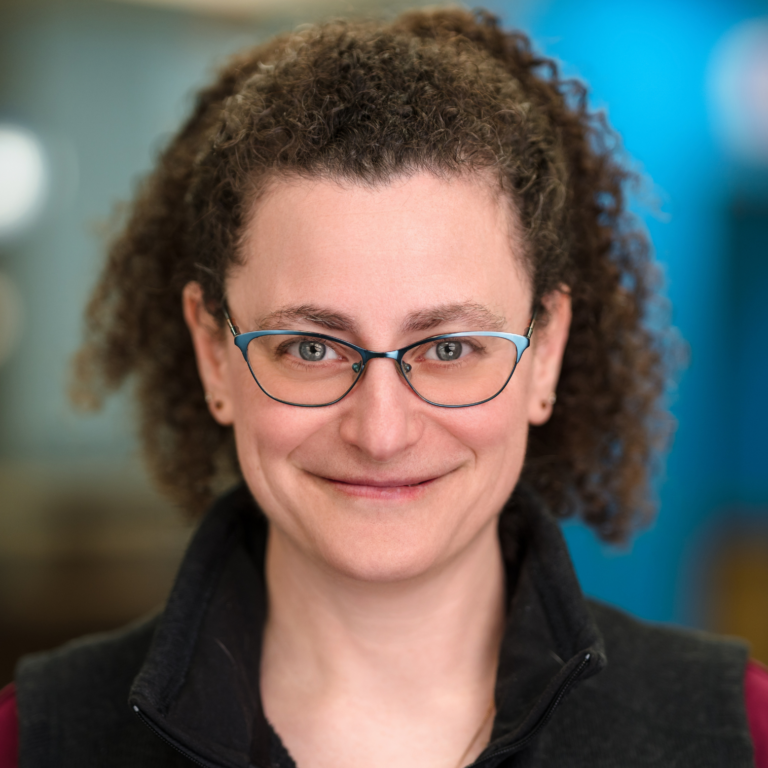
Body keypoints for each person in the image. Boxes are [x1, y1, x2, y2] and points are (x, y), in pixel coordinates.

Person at [1, 8, 766, 767]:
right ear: (213, 354)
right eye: (310, 346)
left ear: (545, 353)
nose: (381, 431)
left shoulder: (740, 735)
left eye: (450, 347)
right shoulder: (32, 741)